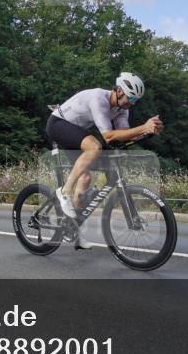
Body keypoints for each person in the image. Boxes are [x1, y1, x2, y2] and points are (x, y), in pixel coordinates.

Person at [45, 73, 163, 248]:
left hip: (76, 132)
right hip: (58, 124)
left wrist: (146, 132)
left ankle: (72, 228)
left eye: (136, 100)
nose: (132, 102)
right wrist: (142, 127)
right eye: (130, 97)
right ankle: (64, 192)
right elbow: (108, 136)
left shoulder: (123, 110)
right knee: (95, 146)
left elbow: (123, 136)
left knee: (85, 177)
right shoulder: (98, 99)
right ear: (118, 90)